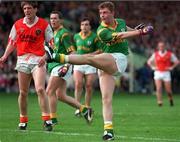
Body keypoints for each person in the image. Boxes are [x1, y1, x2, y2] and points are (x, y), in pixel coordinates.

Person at [45, 2, 153, 140]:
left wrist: (137, 31)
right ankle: (108, 131)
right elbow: (120, 36)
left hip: (119, 59)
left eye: (105, 12)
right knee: (106, 99)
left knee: (89, 58)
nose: (102, 15)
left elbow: (125, 29)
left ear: (113, 13)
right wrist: (139, 32)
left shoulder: (120, 22)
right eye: (101, 13)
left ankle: (55, 57)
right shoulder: (102, 31)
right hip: (107, 63)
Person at [0, 1, 53, 131]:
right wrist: (5, 56)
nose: (27, 10)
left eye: (29, 8)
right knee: (23, 92)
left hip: (38, 60)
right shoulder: (17, 25)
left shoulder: (44, 24)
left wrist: (45, 57)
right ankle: (23, 120)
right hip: (22, 60)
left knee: (40, 89)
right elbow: (12, 42)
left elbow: (52, 44)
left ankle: (47, 120)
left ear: (35, 9)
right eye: (25, 8)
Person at [46, 11, 93, 125]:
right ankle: (85, 110)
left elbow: (72, 52)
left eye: (55, 18)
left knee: (49, 91)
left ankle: (53, 119)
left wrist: (67, 66)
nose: (53, 20)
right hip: (55, 66)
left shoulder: (64, 33)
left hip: (61, 66)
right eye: (51, 18)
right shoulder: (53, 34)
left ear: (60, 20)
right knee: (60, 95)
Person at [73, 17, 102, 116]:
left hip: (90, 63)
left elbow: (100, 50)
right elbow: (73, 49)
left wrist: (89, 55)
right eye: (82, 25)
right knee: (78, 84)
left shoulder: (94, 37)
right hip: (79, 63)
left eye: (86, 24)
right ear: (80, 26)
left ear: (90, 27)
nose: (84, 27)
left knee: (89, 86)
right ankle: (78, 107)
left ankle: (87, 107)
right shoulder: (76, 36)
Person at [147, 40, 179, 106]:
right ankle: (160, 102)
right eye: (160, 46)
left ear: (165, 47)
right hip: (158, 72)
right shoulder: (155, 54)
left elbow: (177, 61)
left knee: (168, 90)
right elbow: (149, 61)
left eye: (162, 46)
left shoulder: (170, 54)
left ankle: (170, 99)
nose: (161, 47)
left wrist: (171, 67)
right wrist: (153, 67)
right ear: (158, 47)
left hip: (166, 73)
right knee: (158, 88)